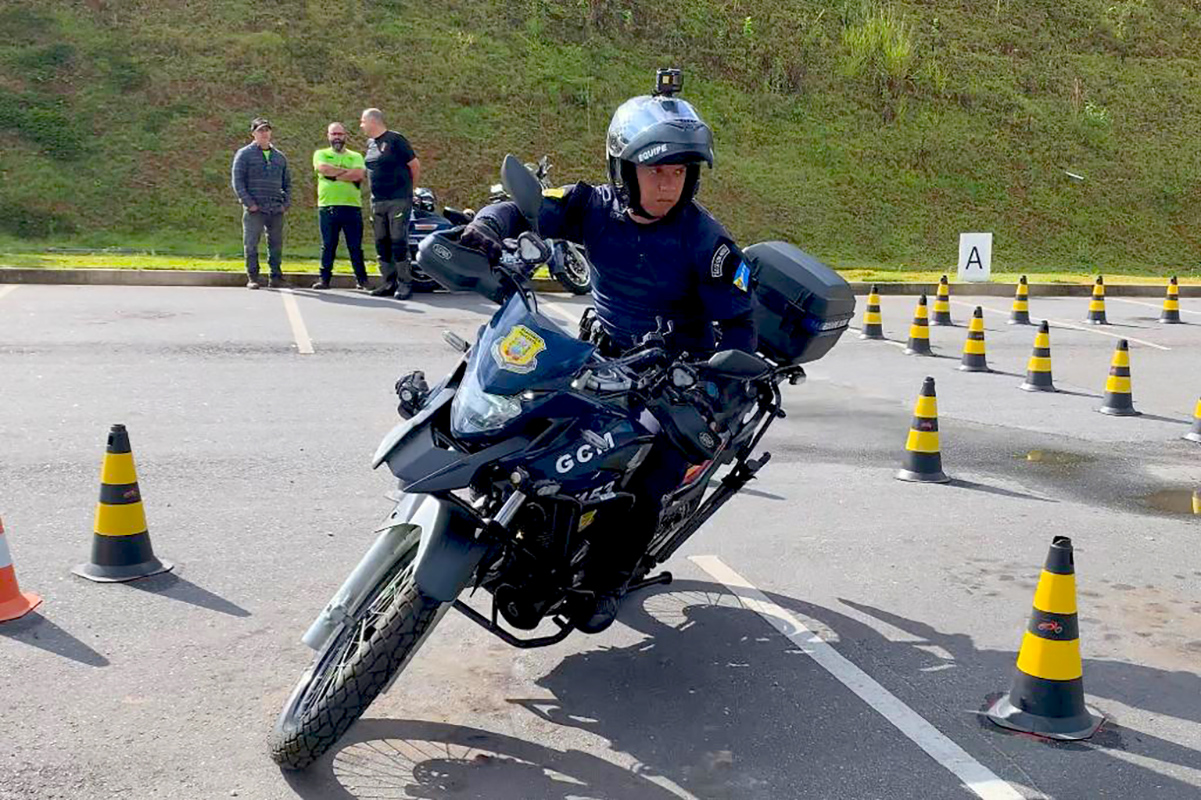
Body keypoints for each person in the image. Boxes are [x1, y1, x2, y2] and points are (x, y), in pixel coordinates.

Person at [461, 71, 756, 633]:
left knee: (642, 481)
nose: (668, 184)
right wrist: (485, 227)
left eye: (678, 172)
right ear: (623, 169)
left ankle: (606, 580)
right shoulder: (590, 205)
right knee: (519, 415)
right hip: (599, 350)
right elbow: (524, 208)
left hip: (672, 374)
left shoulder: (708, 243)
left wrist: (718, 388)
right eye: (654, 170)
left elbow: (739, 325)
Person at [359, 108, 421, 300]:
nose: (361, 126)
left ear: (373, 121)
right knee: (381, 242)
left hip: (398, 199)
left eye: (363, 122)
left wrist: (409, 191)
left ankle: (404, 283)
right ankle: (388, 281)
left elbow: (414, 165)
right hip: (378, 201)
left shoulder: (395, 140)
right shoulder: (370, 144)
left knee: (397, 240)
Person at [231, 117, 291, 289]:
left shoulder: (279, 157)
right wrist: (249, 203)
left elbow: (287, 183)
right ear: (253, 133)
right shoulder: (244, 154)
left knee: (276, 244)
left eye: (266, 130)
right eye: (260, 131)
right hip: (255, 208)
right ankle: (253, 277)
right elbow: (238, 182)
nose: (264, 134)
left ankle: (276, 277)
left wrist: (285, 204)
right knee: (251, 243)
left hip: (276, 208)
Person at [312, 122, 371, 291]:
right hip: (328, 206)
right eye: (334, 134)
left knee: (355, 246)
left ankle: (362, 280)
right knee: (328, 245)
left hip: (352, 207)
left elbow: (359, 174)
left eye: (340, 134)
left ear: (345, 136)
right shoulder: (320, 153)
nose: (337, 137)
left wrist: (334, 176)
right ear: (328, 136)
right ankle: (324, 280)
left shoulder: (356, 156)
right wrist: (346, 173)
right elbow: (323, 169)